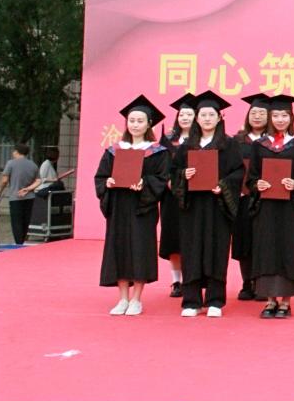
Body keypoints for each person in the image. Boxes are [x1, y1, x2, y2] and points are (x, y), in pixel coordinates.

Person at [169, 91, 244, 317]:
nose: (207, 119)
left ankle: (215, 300)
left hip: (217, 206)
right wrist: (184, 175)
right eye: (203, 115)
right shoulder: (187, 146)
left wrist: (223, 185)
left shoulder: (229, 144)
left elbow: (238, 172)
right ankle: (191, 301)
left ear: (219, 117)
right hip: (192, 207)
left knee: (216, 250)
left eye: (212, 115)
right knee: (191, 251)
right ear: (197, 118)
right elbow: (174, 172)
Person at [94, 95, 170, 315]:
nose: (135, 124)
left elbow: (162, 179)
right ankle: (122, 299)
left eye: (140, 121)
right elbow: (100, 177)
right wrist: (107, 182)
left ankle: (136, 298)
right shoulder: (114, 150)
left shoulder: (157, 152)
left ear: (149, 124)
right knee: (119, 248)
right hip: (119, 205)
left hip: (142, 207)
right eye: (132, 120)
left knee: (140, 249)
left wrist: (144, 184)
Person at [248, 94, 294, 319]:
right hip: (266, 208)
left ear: (291, 118)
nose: (279, 119)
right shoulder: (259, 145)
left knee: (289, 250)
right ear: (270, 117)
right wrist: (257, 184)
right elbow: (251, 177)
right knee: (266, 250)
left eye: (284, 115)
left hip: (291, 209)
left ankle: (286, 302)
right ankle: (269, 300)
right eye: (275, 115)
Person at [232, 93, 270, 301]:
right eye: (253, 112)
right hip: (243, 198)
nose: (257, 116)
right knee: (244, 239)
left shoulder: (274, 141)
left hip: (267, 197)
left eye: (262, 113)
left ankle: (262, 283)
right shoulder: (237, 141)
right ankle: (247, 282)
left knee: (263, 240)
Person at [161, 93, 196, 298]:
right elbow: (161, 165)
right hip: (171, 196)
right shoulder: (168, 140)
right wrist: (167, 179)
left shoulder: (201, 140)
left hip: (194, 195)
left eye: (189, 114)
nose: (185, 118)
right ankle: (176, 281)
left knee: (190, 237)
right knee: (173, 239)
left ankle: (191, 278)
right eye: (182, 114)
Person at [0, 144, 38, 245]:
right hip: (30, 197)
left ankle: (19, 243)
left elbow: (4, 180)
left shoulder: (11, 163)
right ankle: (23, 240)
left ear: (16, 152)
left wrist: (0, 189)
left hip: (15, 197)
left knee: (16, 221)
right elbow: (38, 180)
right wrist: (28, 189)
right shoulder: (33, 165)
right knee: (26, 220)